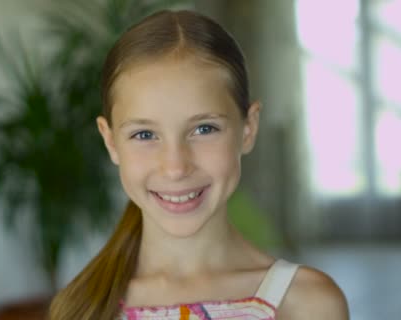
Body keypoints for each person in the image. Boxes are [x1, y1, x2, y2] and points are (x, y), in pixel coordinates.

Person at [49, 9, 349, 320]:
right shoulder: (81, 308)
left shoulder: (306, 304)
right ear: (111, 141)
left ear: (249, 129)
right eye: (144, 134)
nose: (175, 167)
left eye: (204, 129)